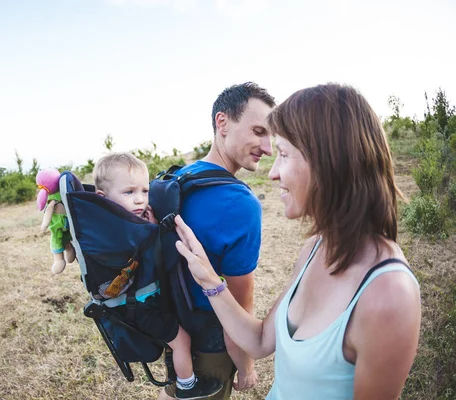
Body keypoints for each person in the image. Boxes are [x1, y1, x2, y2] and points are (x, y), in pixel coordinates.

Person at [173, 83, 422, 399]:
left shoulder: (389, 295)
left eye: (284, 154)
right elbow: (262, 340)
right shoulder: (314, 250)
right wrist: (209, 279)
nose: (272, 173)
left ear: (328, 162)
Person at [159, 82, 277, 400]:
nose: (268, 148)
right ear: (222, 123)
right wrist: (247, 366)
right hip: (210, 343)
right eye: (257, 131)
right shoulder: (240, 203)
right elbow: (237, 308)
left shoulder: (176, 180)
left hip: (174, 334)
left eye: (271, 137)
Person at [92, 152, 223, 400]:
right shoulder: (120, 233)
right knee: (181, 340)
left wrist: (149, 228)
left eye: (144, 190)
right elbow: (148, 261)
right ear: (103, 197)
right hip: (137, 307)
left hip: (136, 301)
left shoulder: (113, 226)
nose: (140, 200)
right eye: (129, 192)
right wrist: (154, 233)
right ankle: (187, 385)